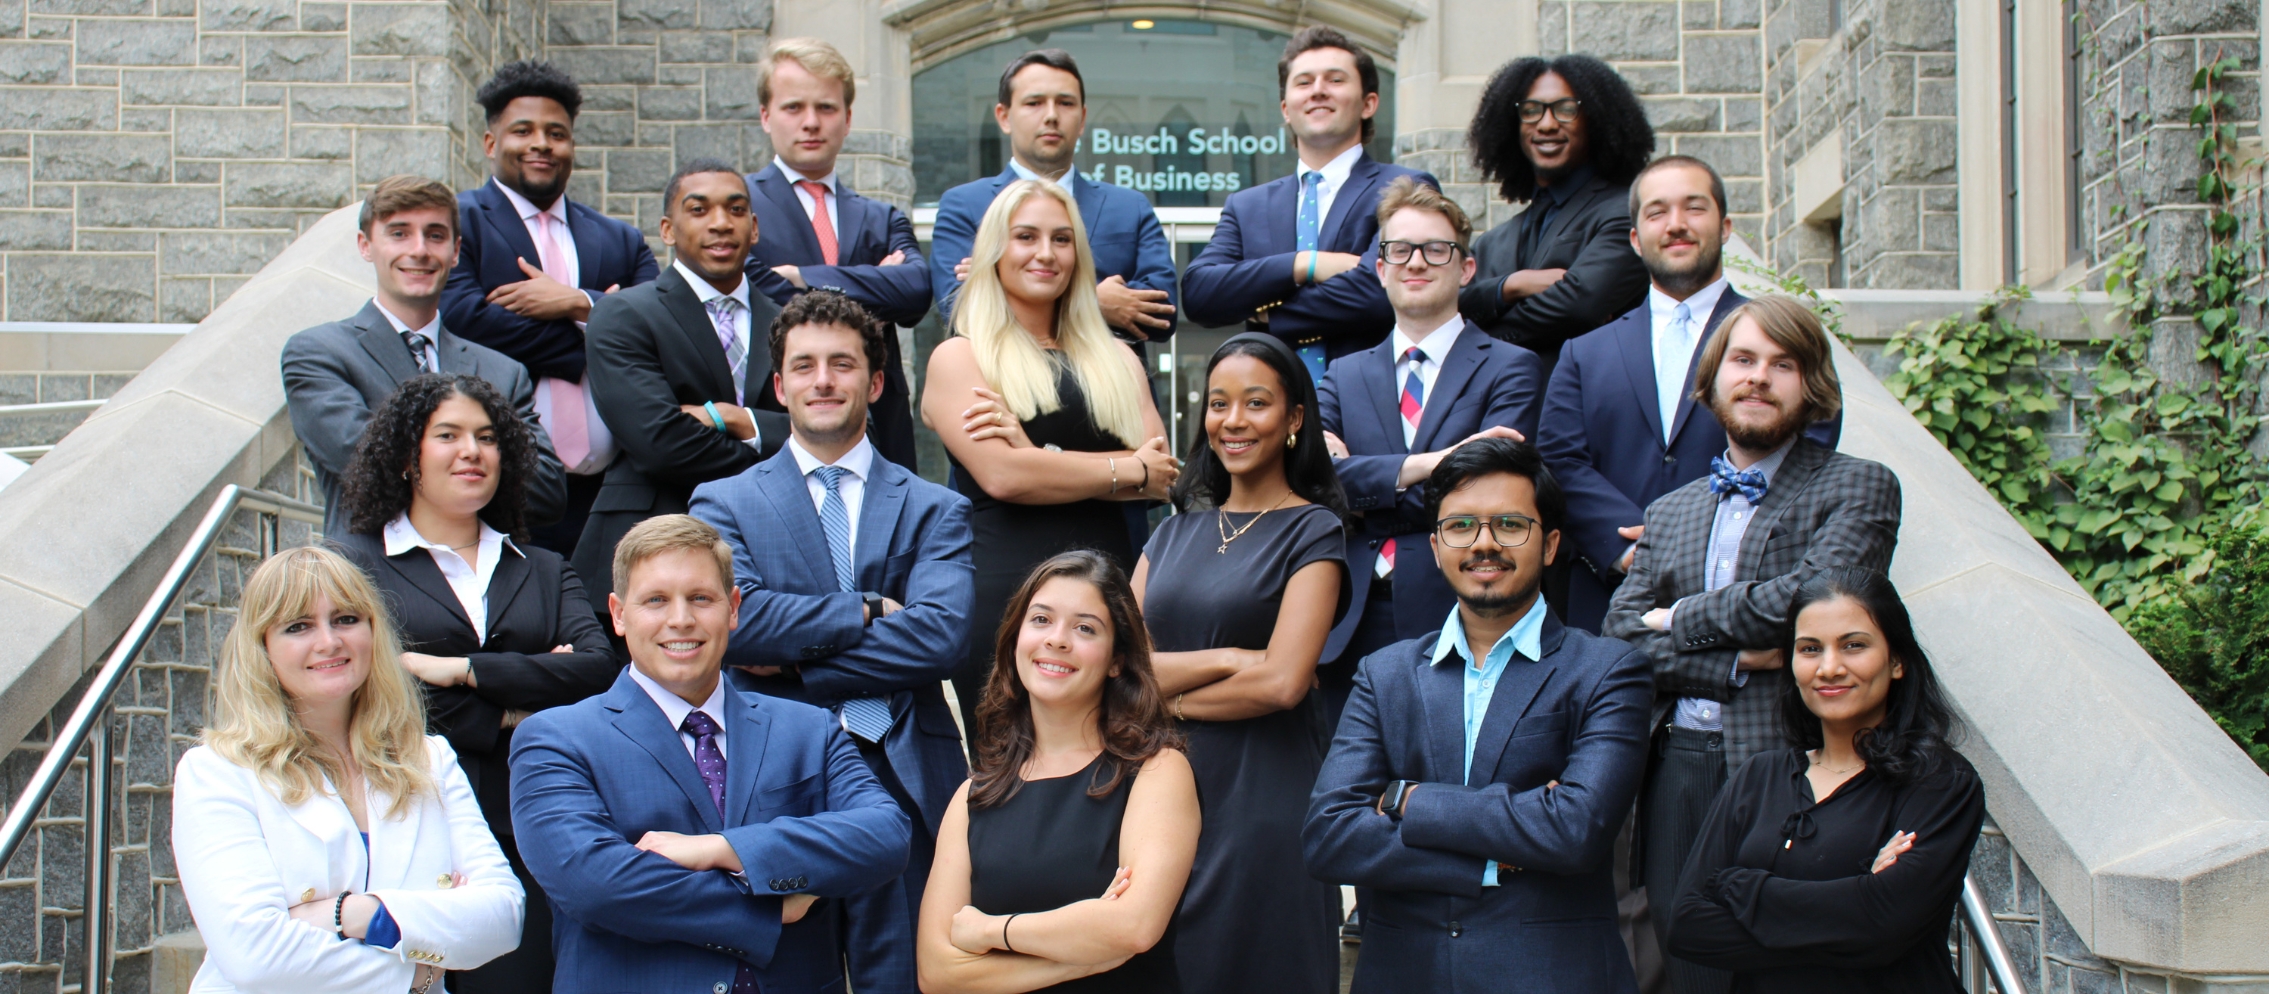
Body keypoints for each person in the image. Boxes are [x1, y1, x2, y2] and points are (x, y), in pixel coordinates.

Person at [1603, 295, 1902, 994]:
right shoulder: (1669, 511)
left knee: (1782, 960)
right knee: (1684, 955)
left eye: (1782, 364)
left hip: (1793, 761)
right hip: (1674, 763)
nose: (1758, 378)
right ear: (1710, 382)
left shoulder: (1856, 485)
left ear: (1812, 386)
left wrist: (1677, 616)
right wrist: (1738, 660)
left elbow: (1810, 602)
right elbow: (1618, 636)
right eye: (1742, 360)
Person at [689, 290, 974, 994]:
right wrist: (869, 609)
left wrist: (792, 665)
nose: (823, 380)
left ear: (873, 384)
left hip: (903, 772)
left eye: (842, 365)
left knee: (908, 980)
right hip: (777, 772)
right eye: (805, 366)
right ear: (780, 385)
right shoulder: (722, 503)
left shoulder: (936, 507)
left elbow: (940, 637)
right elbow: (737, 623)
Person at [1303, 438, 1653, 993]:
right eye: (1461, 526)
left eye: (1510, 525)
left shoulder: (1608, 670)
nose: (1484, 544)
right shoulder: (1384, 673)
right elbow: (1330, 836)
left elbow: (1575, 830)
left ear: (1551, 544)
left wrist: (1406, 799)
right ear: (1438, 545)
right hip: (1404, 975)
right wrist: (1495, 854)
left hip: (1551, 975)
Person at [509, 514, 912, 993]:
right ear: (617, 614)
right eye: (656, 600)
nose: (680, 619)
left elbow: (885, 835)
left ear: (733, 607)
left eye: (700, 598)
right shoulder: (554, 738)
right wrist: (768, 908)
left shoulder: (809, 727)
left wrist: (726, 850)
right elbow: (595, 885)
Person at [328, 372, 619, 994]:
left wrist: (459, 670)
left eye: (487, 438)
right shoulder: (353, 564)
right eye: (449, 435)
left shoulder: (541, 566)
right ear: (409, 456)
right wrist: (519, 705)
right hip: (405, 817)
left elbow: (597, 670)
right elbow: (373, 689)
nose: (473, 451)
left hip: (528, 821)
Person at [171, 546, 525, 993]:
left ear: (373, 631)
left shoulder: (429, 758)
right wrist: (420, 970)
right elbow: (255, 958)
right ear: (262, 648)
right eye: (298, 626)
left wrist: (355, 914)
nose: (329, 642)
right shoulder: (217, 772)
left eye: (345, 619)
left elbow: (503, 918)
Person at [1541, 155, 1843, 636]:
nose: (1676, 225)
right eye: (1657, 212)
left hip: (1748, 595)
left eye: (1694, 208)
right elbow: (1558, 459)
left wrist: (1713, 539)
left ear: (1724, 227)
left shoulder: (1783, 339)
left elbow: (1813, 442)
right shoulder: (1584, 352)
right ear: (1636, 238)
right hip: (1607, 601)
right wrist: (1633, 550)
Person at [1132, 332, 1350, 993]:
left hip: (1262, 794)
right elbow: (1116, 668)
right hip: (1154, 786)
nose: (1232, 420)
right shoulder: (1169, 532)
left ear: (1293, 419)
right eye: (1218, 403)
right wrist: (1230, 658)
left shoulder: (1315, 529)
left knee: (1254, 965)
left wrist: (1153, 691)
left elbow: (1283, 683)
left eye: (1255, 403)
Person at [920, 178, 1178, 734]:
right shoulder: (960, 357)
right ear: (994, 251)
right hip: (1007, 596)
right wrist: (1120, 467)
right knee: (1013, 774)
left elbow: (1160, 477)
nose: (1045, 253)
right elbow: (1005, 476)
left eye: (1062, 239)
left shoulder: (1118, 356)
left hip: (1110, 592)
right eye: (1026, 236)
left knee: (1116, 765)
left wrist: (1042, 454)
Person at [1667, 567, 1983, 993]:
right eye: (1810, 649)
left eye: (1854, 646)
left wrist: (1743, 888)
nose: (1829, 667)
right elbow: (1688, 926)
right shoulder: (1759, 776)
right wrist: (1857, 900)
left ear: (1897, 661)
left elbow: (1886, 927)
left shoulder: (1940, 782)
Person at [916, 550, 1200, 993]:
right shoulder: (974, 796)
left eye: (1085, 628)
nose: (1058, 640)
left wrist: (991, 932)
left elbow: (1134, 927)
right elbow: (937, 973)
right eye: (1041, 620)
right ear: (1016, 640)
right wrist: (1080, 958)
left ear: (1117, 660)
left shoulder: (1157, 771)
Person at [1317, 175, 1543, 725]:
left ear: (1465, 268)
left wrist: (1363, 485)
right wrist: (1434, 464)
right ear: (1381, 268)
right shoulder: (1343, 374)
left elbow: (1486, 493)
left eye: (1434, 249)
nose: (1416, 262)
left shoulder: (1511, 367)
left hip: (1460, 608)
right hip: (1346, 618)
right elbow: (1314, 484)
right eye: (1399, 249)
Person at [442, 61, 660, 554]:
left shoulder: (620, 239)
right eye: (523, 130)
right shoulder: (461, 223)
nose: (542, 143)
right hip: (504, 487)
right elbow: (464, 322)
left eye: (556, 133)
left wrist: (578, 302)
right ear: (491, 143)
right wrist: (597, 340)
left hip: (611, 493)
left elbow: (661, 324)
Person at [284, 174, 566, 539]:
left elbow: (546, 491)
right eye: (399, 233)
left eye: (435, 235)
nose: (419, 250)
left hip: (481, 586)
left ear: (455, 250)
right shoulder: (320, 354)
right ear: (366, 245)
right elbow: (362, 465)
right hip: (370, 584)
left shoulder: (502, 371)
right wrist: (478, 471)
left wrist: (415, 464)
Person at [574, 160, 790, 625]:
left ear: (753, 228)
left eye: (735, 210)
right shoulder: (623, 314)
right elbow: (661, 444)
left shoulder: (793, 322)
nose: (719, 222)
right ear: (668, 230)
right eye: (699, 209)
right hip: (651, 551)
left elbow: (849, 430)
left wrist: (739, 420)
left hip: (775, 557)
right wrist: (791, 464)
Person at [1183, 25, 1439, 384]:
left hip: (1367, 404)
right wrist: (1306, 264)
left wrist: (1271, 315)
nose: (1318, 90)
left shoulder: (1403, 188)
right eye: (1304, 82)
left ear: (1369, 103)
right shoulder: (1247, 206)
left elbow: (1379, 292)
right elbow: (1200, 294)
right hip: (1272, 414)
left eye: (1335, 80)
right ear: (1286, 109)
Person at [743, 38, 930, 469]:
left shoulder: (883, 218)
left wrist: (800, 277)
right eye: (794, 108)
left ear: (847, 120)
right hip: (781, 432)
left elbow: (917, 291)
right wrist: (875, 289)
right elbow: (761, 294)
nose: (811, 122)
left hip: (882, 433)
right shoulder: (737, 209)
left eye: (826, 108)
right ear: (766, 116)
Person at [930, 49, 1179, 348]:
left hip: (1115, 389)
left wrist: (999, 281)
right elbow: (960, 310)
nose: (1051, 115)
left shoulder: (1129, 208)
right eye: (1034, 103)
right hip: (1002, 390)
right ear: (1004, 116)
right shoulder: (964, 205)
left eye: (1065, 103)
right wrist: (1095, 301)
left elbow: (1163, 314)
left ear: (1083, 117)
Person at [1458, 54, 1653, 374]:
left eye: (1565, 109)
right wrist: (1510, 286)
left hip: (1584, 412)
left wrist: (1477, 338)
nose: (1546, 124)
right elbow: (1448, 307)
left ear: (1595, 120)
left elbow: (1579, 306)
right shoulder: (1493, 242)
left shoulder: (1625, 213)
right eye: (1531, 110)